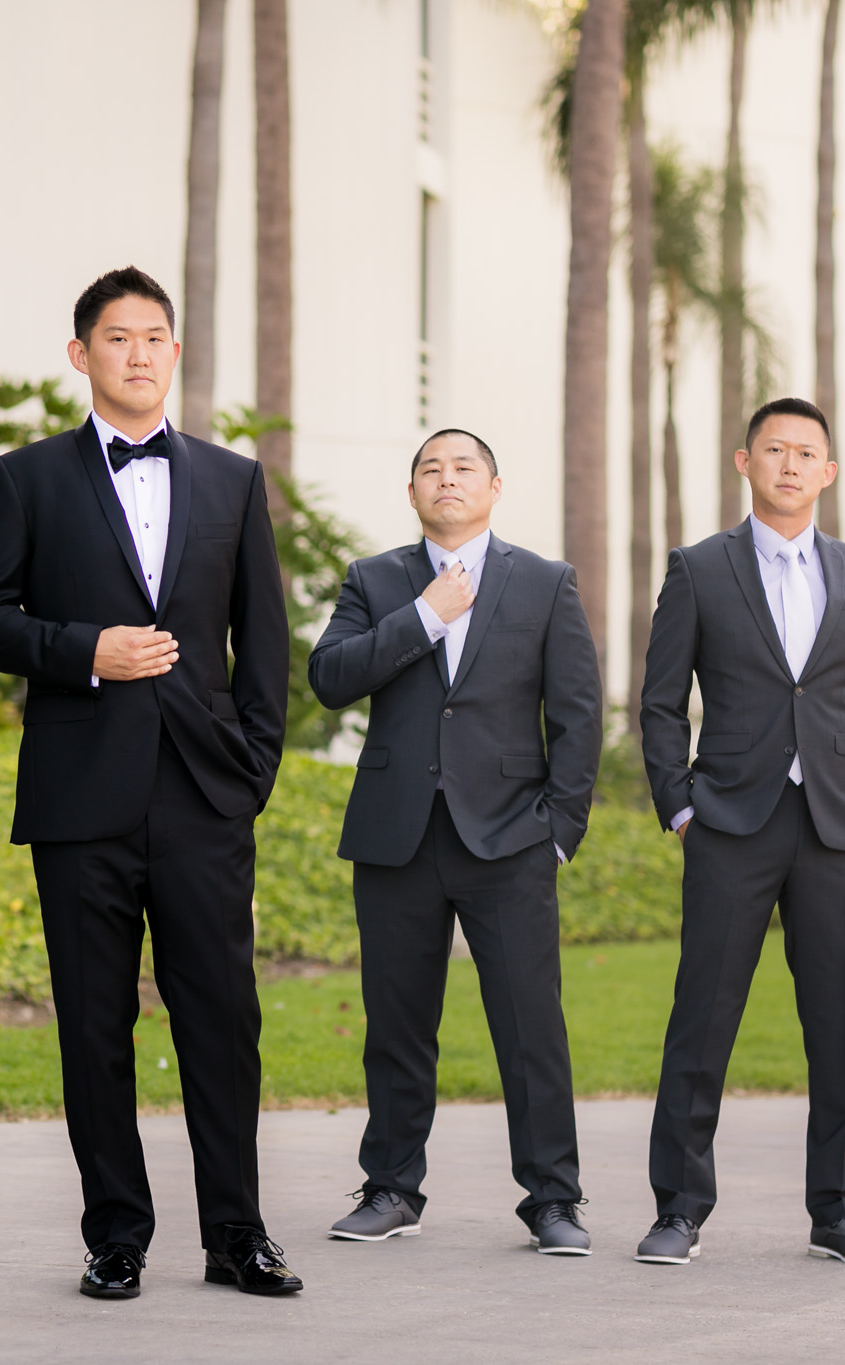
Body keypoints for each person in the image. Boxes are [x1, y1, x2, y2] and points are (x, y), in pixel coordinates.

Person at [0, 267, 297, 1299]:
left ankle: (236, 1234)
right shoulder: (25, 479)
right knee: (92, 1023)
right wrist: (84, 648)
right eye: (116, 337)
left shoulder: (232, 482)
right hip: (79, 799)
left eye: (154, 337)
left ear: (173, 353)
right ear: (80, 355)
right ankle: (115, 1236)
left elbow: (263, 643)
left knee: (222, 1021)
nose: (137, 353)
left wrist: (251, 775)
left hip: (202, 796)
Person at [635, 396, 845, 1268]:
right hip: (729, 821)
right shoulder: (699, 568)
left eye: (806, 453)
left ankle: (838, 1211)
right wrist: (680, 803)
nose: (790, 464)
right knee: (703, 1016)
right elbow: (657, 703)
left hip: (837, 827)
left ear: (828, 473)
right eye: (774, 449)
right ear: (744, 462)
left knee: (837, 1029)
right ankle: (678, 1209)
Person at [307, 429, 601, 1254]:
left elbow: (578, 715)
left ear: (496, 487)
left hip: (511, 839)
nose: (447, 479)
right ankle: (392, 1186)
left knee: (529, 1023)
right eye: (430, 469)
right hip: (396, 836)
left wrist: (559, 832)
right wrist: (424, 616)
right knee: (396, 1023)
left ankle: (553, 1197)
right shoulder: (375, 581)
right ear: (411, 494)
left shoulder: (545, 583)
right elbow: (330, 678)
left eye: (463, 466)